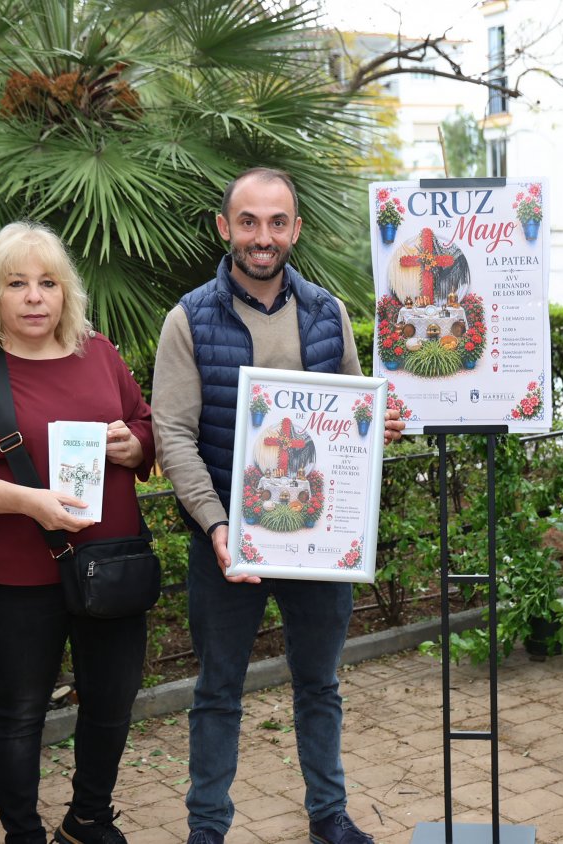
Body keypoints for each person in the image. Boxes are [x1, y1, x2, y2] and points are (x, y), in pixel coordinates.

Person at [152, 167, 403, 844]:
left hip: (319, 543)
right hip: (226, 543)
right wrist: (216, 524)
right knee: (217, 691)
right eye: (248, 221)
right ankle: (207, 827)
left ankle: (329, 815)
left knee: (320, 685)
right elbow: (172, 433)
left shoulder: (328, 313)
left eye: (276, 222)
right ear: (224, 227)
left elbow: (353, 418)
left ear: (295, 228)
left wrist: (378, 424)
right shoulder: (188, 319)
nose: (262, 236)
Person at [0, 222, 154, 844]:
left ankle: (88, 820)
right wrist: (30, 502)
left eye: (48, 283)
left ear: (66, 292)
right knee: (21, 709)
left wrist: (134, 445)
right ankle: (23, 834)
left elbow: (143, 423)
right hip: (17, 573)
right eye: (17, 283)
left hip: (109, 560)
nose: (34, 297)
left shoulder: (98, 353)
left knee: (111, 700)